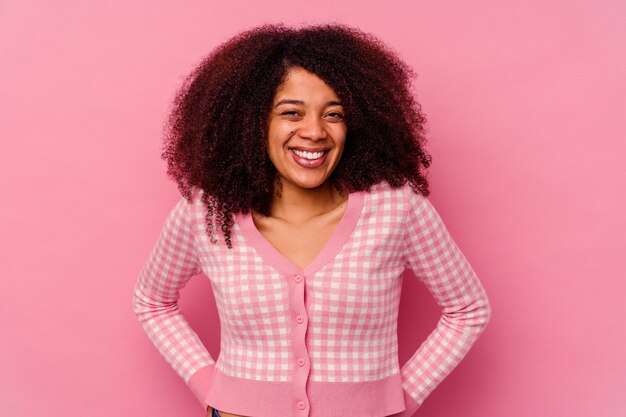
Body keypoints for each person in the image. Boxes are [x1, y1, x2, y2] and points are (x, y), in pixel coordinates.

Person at [132, 24, 491, 417]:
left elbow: (468, 308)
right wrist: (210, 385)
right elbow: (152, 301)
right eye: (292, 113)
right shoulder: (206, 213)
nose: (315, 131)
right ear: (253, 122)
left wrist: (400, 398)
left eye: (333, 114)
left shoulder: (395, 208)